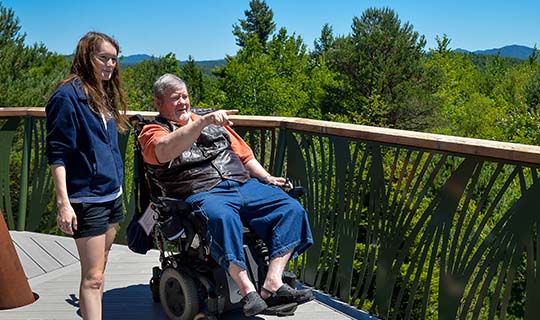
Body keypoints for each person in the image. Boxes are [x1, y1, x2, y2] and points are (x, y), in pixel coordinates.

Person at [138, 73, 314, 317]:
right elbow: (164, 151)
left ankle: (273, 282)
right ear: (158, 103)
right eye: (175, 98)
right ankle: (247, 290)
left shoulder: (210, 123)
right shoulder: (152, 131)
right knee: (222, 217)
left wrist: (266, 178)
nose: (183, 102)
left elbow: (245, 156)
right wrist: (200, 123)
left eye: (185, 96)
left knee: (290, 208)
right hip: (202, 192)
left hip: (242, 184)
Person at [45, 32, 127, 320]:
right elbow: (57, 154)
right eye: (103, 57)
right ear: (85, 57)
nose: (109, 64)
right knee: (93, 278)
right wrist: (64, 204)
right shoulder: (66, 97)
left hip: (111, 194)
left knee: (100, 270)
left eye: (114, 59)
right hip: (86, 198)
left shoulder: (102, 92)